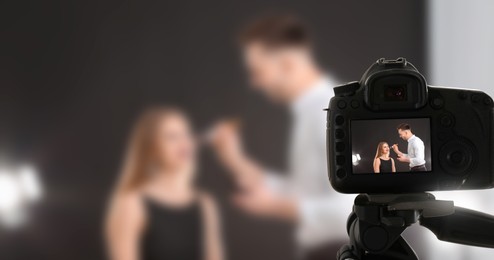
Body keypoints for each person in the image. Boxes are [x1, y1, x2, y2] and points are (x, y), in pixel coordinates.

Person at [209, 14, 351, 259]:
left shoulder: (331, 113)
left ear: (287, 64)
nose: (254, 83)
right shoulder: (312, 111)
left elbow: (352, 210)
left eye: (257, 71)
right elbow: (307, 192)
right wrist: (235, 160)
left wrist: (275, 207)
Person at [105, 107, 224, 260]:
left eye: (186, 134)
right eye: (172, 137)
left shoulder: (206, 204)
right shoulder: (131, 202)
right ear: (152, 149)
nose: (184, 142)